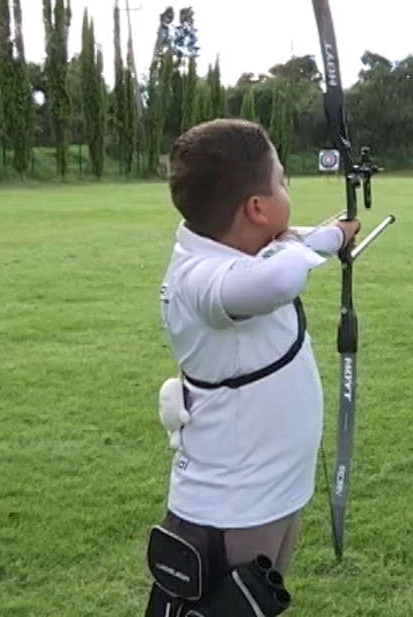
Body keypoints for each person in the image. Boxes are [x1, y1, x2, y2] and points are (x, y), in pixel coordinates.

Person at [148, 119, 359, 613]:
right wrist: (302, 243)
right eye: (282, 180)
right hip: (231, 508)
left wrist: (330, 235)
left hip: (273, 492)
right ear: (257, 208)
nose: (288, 189)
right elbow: (277, 280)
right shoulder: (198, 276)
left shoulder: (242, 250)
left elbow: (295, 248)